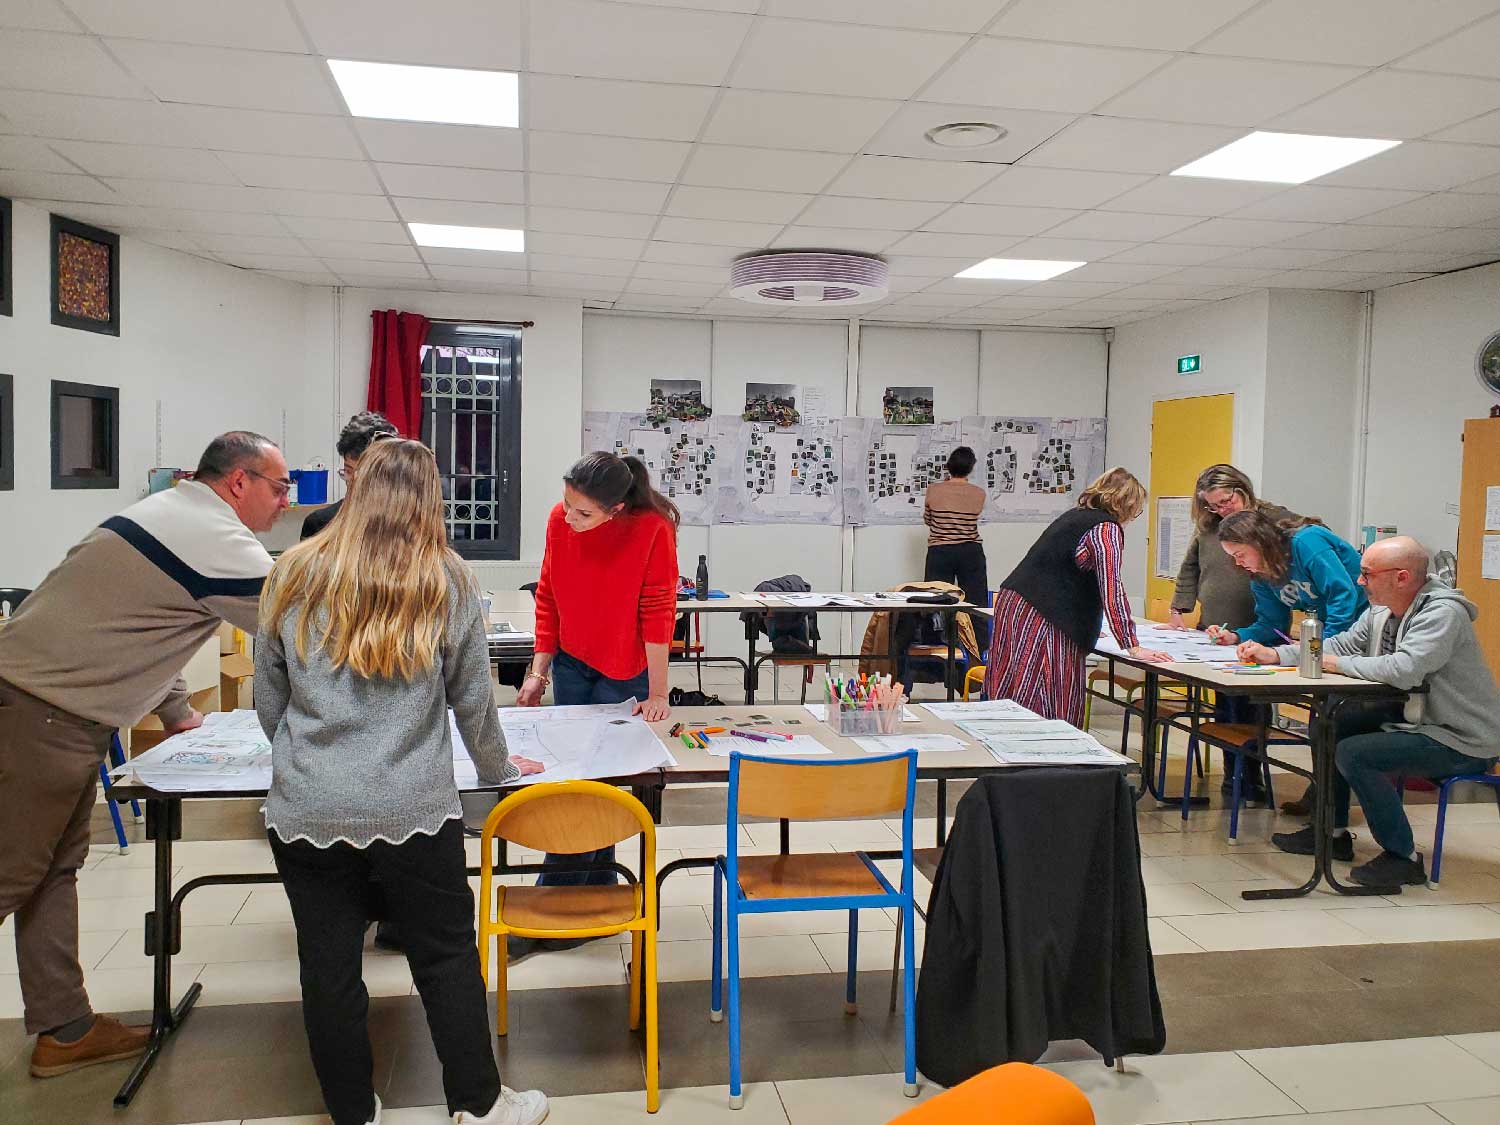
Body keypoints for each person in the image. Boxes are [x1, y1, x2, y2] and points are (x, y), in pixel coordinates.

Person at [256, 438, 548, 1125]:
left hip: (308, 807)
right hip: (414, 806)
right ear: (432, 499)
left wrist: (307, 760)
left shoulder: (292, 571)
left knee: (327, 966)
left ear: (356, 489)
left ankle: (353, 1111)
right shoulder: (446, 577)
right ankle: (478, 1104)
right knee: (445, 956)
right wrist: (500, 771)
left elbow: (270, 699)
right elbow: (473, 701)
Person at [0, 432, 287, 1078]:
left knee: (51, 869)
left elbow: (139, 621)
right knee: (13, 872)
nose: (282, 500)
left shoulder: (170, 512)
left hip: (50, 707)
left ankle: (65, 1028)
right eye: (278, 487)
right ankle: (64, 1026)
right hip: (42, 713)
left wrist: (177, 709)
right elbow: (299, 620)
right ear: (239, 482)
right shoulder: (215, 535)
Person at [1239, 537, 1500, 888]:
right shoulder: (1380, 611)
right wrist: (1278, 655)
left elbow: (1404, 670)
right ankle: (1331, 832)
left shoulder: (1442, 614)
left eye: (1367, 573)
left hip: (1459, 737)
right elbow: (1341, 644)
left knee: (1356, 753)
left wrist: (1334, 663)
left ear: (1402, 577)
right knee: (1330, 723)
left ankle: (1403, 858)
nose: (1360, 581)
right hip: (1415, 720)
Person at [513, 452, 678, 956]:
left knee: (591, 784)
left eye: (583, 513)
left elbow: (658, 610)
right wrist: (538, 672)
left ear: (617, 509)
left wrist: (657, 691)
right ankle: (599, 890)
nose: (569, 518)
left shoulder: (651, 528)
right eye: (567, 505)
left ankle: (550, 911)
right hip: (572, 661)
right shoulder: (559, 521)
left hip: (625, 668)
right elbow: (548, 596)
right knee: (574, 776)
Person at [301, 410, 403, 949]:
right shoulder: (322, 524)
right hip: (336, 686)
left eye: (362, 469)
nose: (355, 480)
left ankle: (393, 910)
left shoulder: (413, 526)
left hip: (399, 688)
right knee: (346, 811)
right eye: (348, 470)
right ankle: (352, 908)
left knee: (396, 814)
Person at [983, 467, 1171, 727]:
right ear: (1127, 504)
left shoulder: (1075, 516)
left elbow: (1070, 575)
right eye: (1136, 510)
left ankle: (1005, 738)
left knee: (1015, 683)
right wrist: (1132, 645)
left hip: (1017, 602)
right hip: (1042, 612)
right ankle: (1047, 744)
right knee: (1047, 690)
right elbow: (1112, 587)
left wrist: (1085, 624)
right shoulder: (1106, 529)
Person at [1167, 465, 1298, 802]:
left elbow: (1307, 540)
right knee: (1225, 705)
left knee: (1252, 707)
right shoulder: (1209, 527)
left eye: (1226, 501)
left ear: (1242, 490)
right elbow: (1190, 566)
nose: (1220, 509)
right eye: (1212, 505)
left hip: (1258, 626)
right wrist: (1179, 606)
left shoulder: (1273, 518)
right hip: (1217, 627)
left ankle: (1251, 775)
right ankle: (1233, 775)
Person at [1211, 509, 1367, 648]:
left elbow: (1342, 595)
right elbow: (1272, 624)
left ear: (1259, 543)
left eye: (1240, 555)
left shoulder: (1307, 542)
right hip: (1334, 634)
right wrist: (1236, 636)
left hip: (1365, 623)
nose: (1238, 563)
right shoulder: (1260, 575)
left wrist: (1321, 644)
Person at [923, 445, 990, 649]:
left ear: (949, 466)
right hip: (970, 550)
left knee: (934, 601)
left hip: (940, 550)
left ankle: (933, 649)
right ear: (970, 468)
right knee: (975, 602)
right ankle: (979, 649)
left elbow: (928, 520)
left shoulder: (933, 490)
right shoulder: (979, 493)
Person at [300, 410, 399, 541]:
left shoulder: (407, 524)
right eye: (348, 471)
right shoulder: (321, 523)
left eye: (365, 474)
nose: (353, 482)